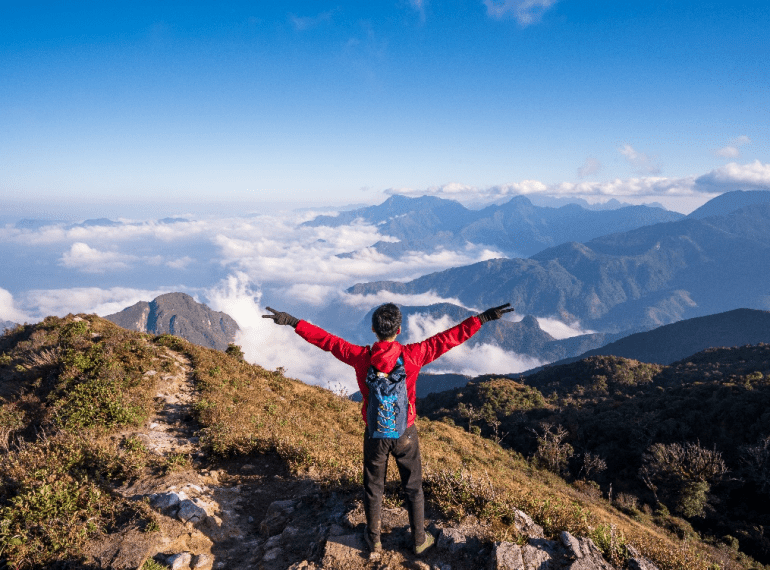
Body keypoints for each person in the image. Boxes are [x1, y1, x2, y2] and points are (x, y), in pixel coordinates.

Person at [262, 302, 514, 556]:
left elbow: (328, 341)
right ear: (400, 329)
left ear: (373, 329)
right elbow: (448, 339)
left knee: (374, 487)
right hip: (405, 432)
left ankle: (374, 540)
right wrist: (482, 318)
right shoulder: (414, 354)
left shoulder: (361, 356)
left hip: (375, 434)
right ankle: (418, 539)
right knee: (413, 487)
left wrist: (293, 322)